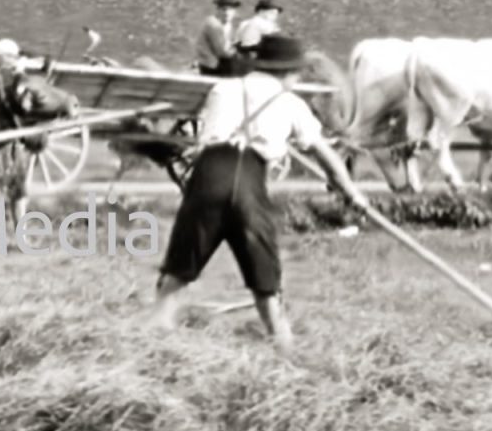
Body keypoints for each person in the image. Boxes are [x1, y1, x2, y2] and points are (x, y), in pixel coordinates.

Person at [150, 33, 368, 352]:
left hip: (207, 179)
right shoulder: (291, 104)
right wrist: (352, 193)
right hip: (250, 185)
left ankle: (155, 338)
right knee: (265, 284)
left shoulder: (222, 88)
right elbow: (328, 158)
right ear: (288, 72)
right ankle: (286, 350)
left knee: (178, 272)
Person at [196, 0, 240, 76]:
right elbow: (222, 52)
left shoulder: (227, 25)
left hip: (220, 64)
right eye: (224, 10)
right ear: (218, 10)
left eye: (231, 10)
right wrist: (238, 51)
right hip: (211, 67)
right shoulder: (213, 24)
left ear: (234, 12)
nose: (227, 13)